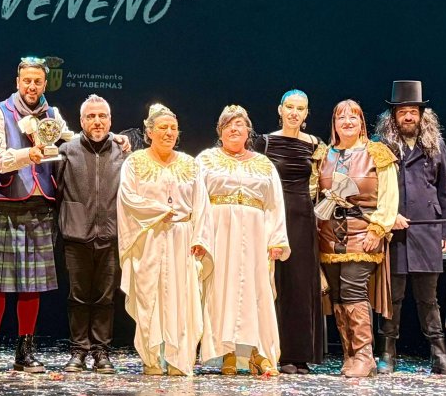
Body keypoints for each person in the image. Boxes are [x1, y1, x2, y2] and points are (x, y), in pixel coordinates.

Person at [0, 57, 70, 373]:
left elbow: (72, 145)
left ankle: (25, 351)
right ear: (18, 82)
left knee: (32, 285)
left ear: (45, 84)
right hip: (5, 202)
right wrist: (27, 155)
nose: (31, 87)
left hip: (41, 205)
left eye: (37, 82)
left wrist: (116, 140)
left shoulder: (53, 116)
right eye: (26, 81)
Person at [192, 105, 289, 376]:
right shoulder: (206, 160)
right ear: (220, 132)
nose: (234, 129)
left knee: (256, 290)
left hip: (256, 232)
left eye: (240, 124)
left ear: (248, 130)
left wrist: (277, 239)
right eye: (228, 125)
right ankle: (228, 353)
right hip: (220, 231)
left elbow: (274, 204)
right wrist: (200, 236)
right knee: (223, 289)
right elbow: (198, 202)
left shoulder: (263, 164)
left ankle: (258, 353)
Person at [373, 81, 446, 375]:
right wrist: (389, 215)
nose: (408, 117)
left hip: (428, 228)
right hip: (394, 230)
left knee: (428, 298)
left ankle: (439, 355)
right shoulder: (382, 145)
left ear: (422, 115)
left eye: (413, 111)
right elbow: (375, 189)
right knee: (393, 297)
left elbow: (444, 189)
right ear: (393, 116)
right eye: (402, 112)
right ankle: (387, 353)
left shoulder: (435, 144)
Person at [117, 104, 203, 376]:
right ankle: (151, 358)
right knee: (149, 296)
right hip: (149, 237)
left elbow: (202, 204)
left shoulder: (190, 163)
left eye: (173, 129)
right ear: (149, 131)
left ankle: (180, 359)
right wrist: (159, 211)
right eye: (162, 128)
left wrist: (200, 237)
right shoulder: (135, 162)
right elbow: (128, 197)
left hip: (182, 238)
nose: (168, 133)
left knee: (182, 298)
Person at [316, 99, 399, 378]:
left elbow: (390, 195)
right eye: (341, 117)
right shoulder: (323, 155)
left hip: (363, 231)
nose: (348, 121)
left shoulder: (377, 153)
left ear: (362, 122)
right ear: (334, 123)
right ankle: (350, 354)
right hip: (329, 235)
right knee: (337, 295)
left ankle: (365, 355)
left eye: (354, 116)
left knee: (353, 289)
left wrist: (379, 228)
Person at [252, 89, 324, 374]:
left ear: (307, 113)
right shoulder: (265, 142)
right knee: (275, 282)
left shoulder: (316, 144)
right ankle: (275, 352)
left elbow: (323, 182)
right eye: (290, 107)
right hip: (272, 215)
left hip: (302, 217)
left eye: (301, 108)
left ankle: (300, 354)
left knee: (300, 284)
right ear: (280, 109)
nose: (295, 112)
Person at [56, 95, 127, 373]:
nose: (97, 121)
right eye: (91, 116)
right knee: (78, 296)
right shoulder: (67, 150)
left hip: (110, 235)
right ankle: (78, 350)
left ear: (110, 120)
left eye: (102, 116)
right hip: (76, 235)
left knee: (105, 298)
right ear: (82, 121)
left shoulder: (123, 152)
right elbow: (56, 191)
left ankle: (100, 351)